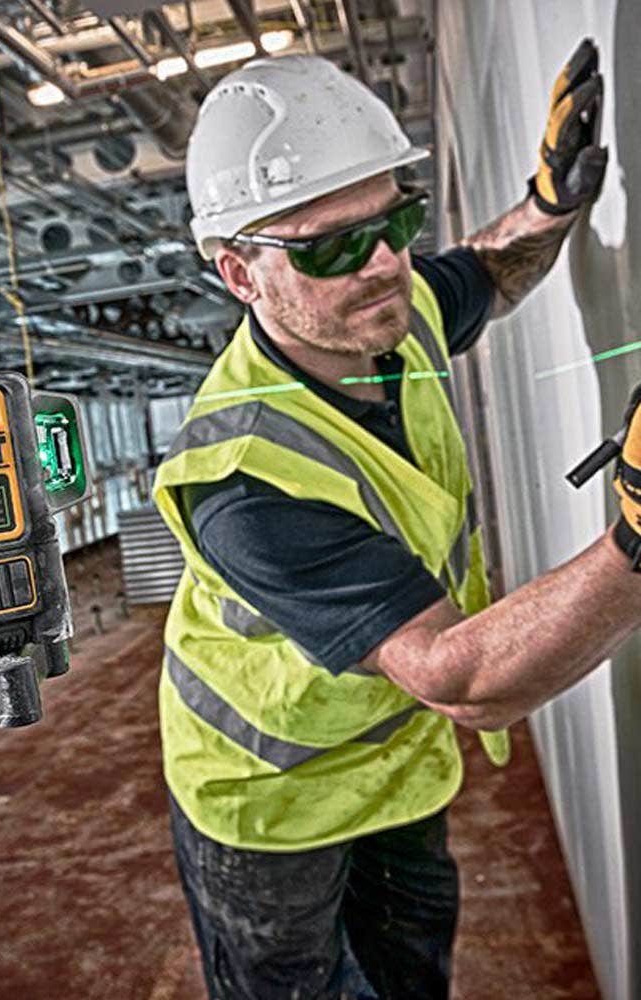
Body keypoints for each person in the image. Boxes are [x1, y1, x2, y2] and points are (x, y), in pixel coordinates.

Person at [152, 41, 620, 1000]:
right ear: (240, 274)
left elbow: (485, 272)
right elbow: (460, 678)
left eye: (397, 220)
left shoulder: (389, 316)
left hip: (393, 762)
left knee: (411, 979)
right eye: (329, 247)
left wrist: (548, 203)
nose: (383, 265)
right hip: (266, 799)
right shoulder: (241, 479)